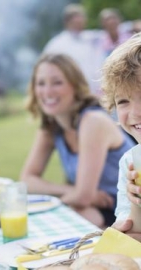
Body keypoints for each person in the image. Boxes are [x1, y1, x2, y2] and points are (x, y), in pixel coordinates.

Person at [20, 53, 135, 227]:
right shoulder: (51, 127)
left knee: (65, 219)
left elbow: (83, 197)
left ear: (75, 85)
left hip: (123, 210)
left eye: (57, 82)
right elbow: (27, 180)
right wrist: (69, 191)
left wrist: (70, 197)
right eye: (41, 83)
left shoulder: (92, 121)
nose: (47, 91)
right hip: (94, 208)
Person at [101, 33, 141, 240]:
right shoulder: (131, 162)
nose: (135, 113)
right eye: (123, 101)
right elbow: (132, 233)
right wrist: (135, 204)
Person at [43, 4, 102, 95]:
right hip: (70, 94)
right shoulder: (56, 44)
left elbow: (118, 30)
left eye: (82, 21)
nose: (80, 25)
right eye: (76, 22)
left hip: (94, 94)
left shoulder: (91, 38)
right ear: (67, 22)